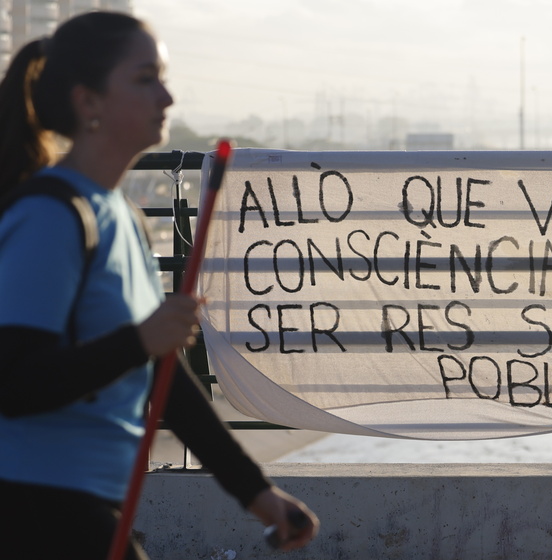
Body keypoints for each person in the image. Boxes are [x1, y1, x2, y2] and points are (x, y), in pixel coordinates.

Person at [0, 10, 318, 559]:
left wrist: (257, 494)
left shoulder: (122, 216)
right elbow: (15, 383)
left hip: (89, 502)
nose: (167, 98)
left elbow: (161, 379)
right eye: (145, 79)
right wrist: (139, 341)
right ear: (88, 102)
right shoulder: (51, 218)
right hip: (31, 506)